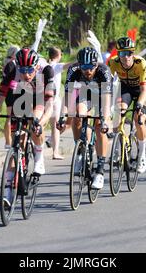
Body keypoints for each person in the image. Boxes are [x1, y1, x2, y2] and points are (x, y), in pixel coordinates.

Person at [0, 48, 55, 207]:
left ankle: (39, 156)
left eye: (29, 70)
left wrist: (39, 122)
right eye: (22, 70)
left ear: (35, 66)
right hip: (20, 93)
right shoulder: (11, 68)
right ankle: (8, 193)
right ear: (17, 66)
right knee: (16, 143)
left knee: (35, 122)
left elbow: (48, 105)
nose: (26, 73)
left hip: (39, 95)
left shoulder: (45, 70)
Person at [57, 47, 112, 190]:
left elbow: (106, 101)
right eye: (84, 67)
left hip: (102, 96)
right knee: (76, 115)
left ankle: (100, 169)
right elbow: (68, 97)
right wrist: (62, 116)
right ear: (79, 65)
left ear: (96, 64)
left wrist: (105, 119)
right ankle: (81, 149)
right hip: (85, 94)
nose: (87, 71)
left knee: (100, 125)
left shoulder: (104, 71)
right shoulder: (74, 70)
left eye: (91, 67)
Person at [108, 36, 146, 173]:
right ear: (118, 54)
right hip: (125, 90)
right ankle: (117, 149)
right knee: (118, 113)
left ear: (133, 53)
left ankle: (142, 155)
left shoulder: (140, 63)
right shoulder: (113, 62)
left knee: (139, 119)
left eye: (129, 53)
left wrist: (139, 105)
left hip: (141, 91)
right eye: (122, 53)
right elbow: (108, 86)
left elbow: (144, 90)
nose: (126, 57)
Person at [45, 46, 72, 159]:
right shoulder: (56, 66)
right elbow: (69, 65)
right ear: (58, 55)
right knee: (57, 126)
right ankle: (55, 151)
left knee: (45, 124)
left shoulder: (45, 65)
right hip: (54, 99)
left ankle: (47, 141)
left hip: (43, 97)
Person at [2, 45, 20, 149]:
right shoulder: (11, 63)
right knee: (10, 117)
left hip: (7, 91)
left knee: (9, 117)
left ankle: (8, 141)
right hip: (12, 91)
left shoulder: (6, 61)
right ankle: (8, 142)